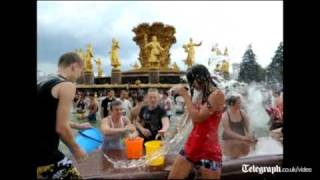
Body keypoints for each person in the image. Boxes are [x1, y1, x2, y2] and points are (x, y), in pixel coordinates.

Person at [169, 64, 225, 179]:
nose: (193, 86)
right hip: (193, 144)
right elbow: (191, 118)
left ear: (200, 78)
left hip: (209, 149)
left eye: (192, 81)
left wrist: (185, 95)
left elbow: (198, 117)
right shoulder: (201, 95)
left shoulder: (217, 95)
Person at [36, 52, 87, 179]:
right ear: (74, 66)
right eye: (80, 71)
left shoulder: (41, 83)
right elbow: (61, 128)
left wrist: (78, 126)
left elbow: (47, 117)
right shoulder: (67, 85)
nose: (79, 75)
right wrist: (76, 149)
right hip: (47, 156)